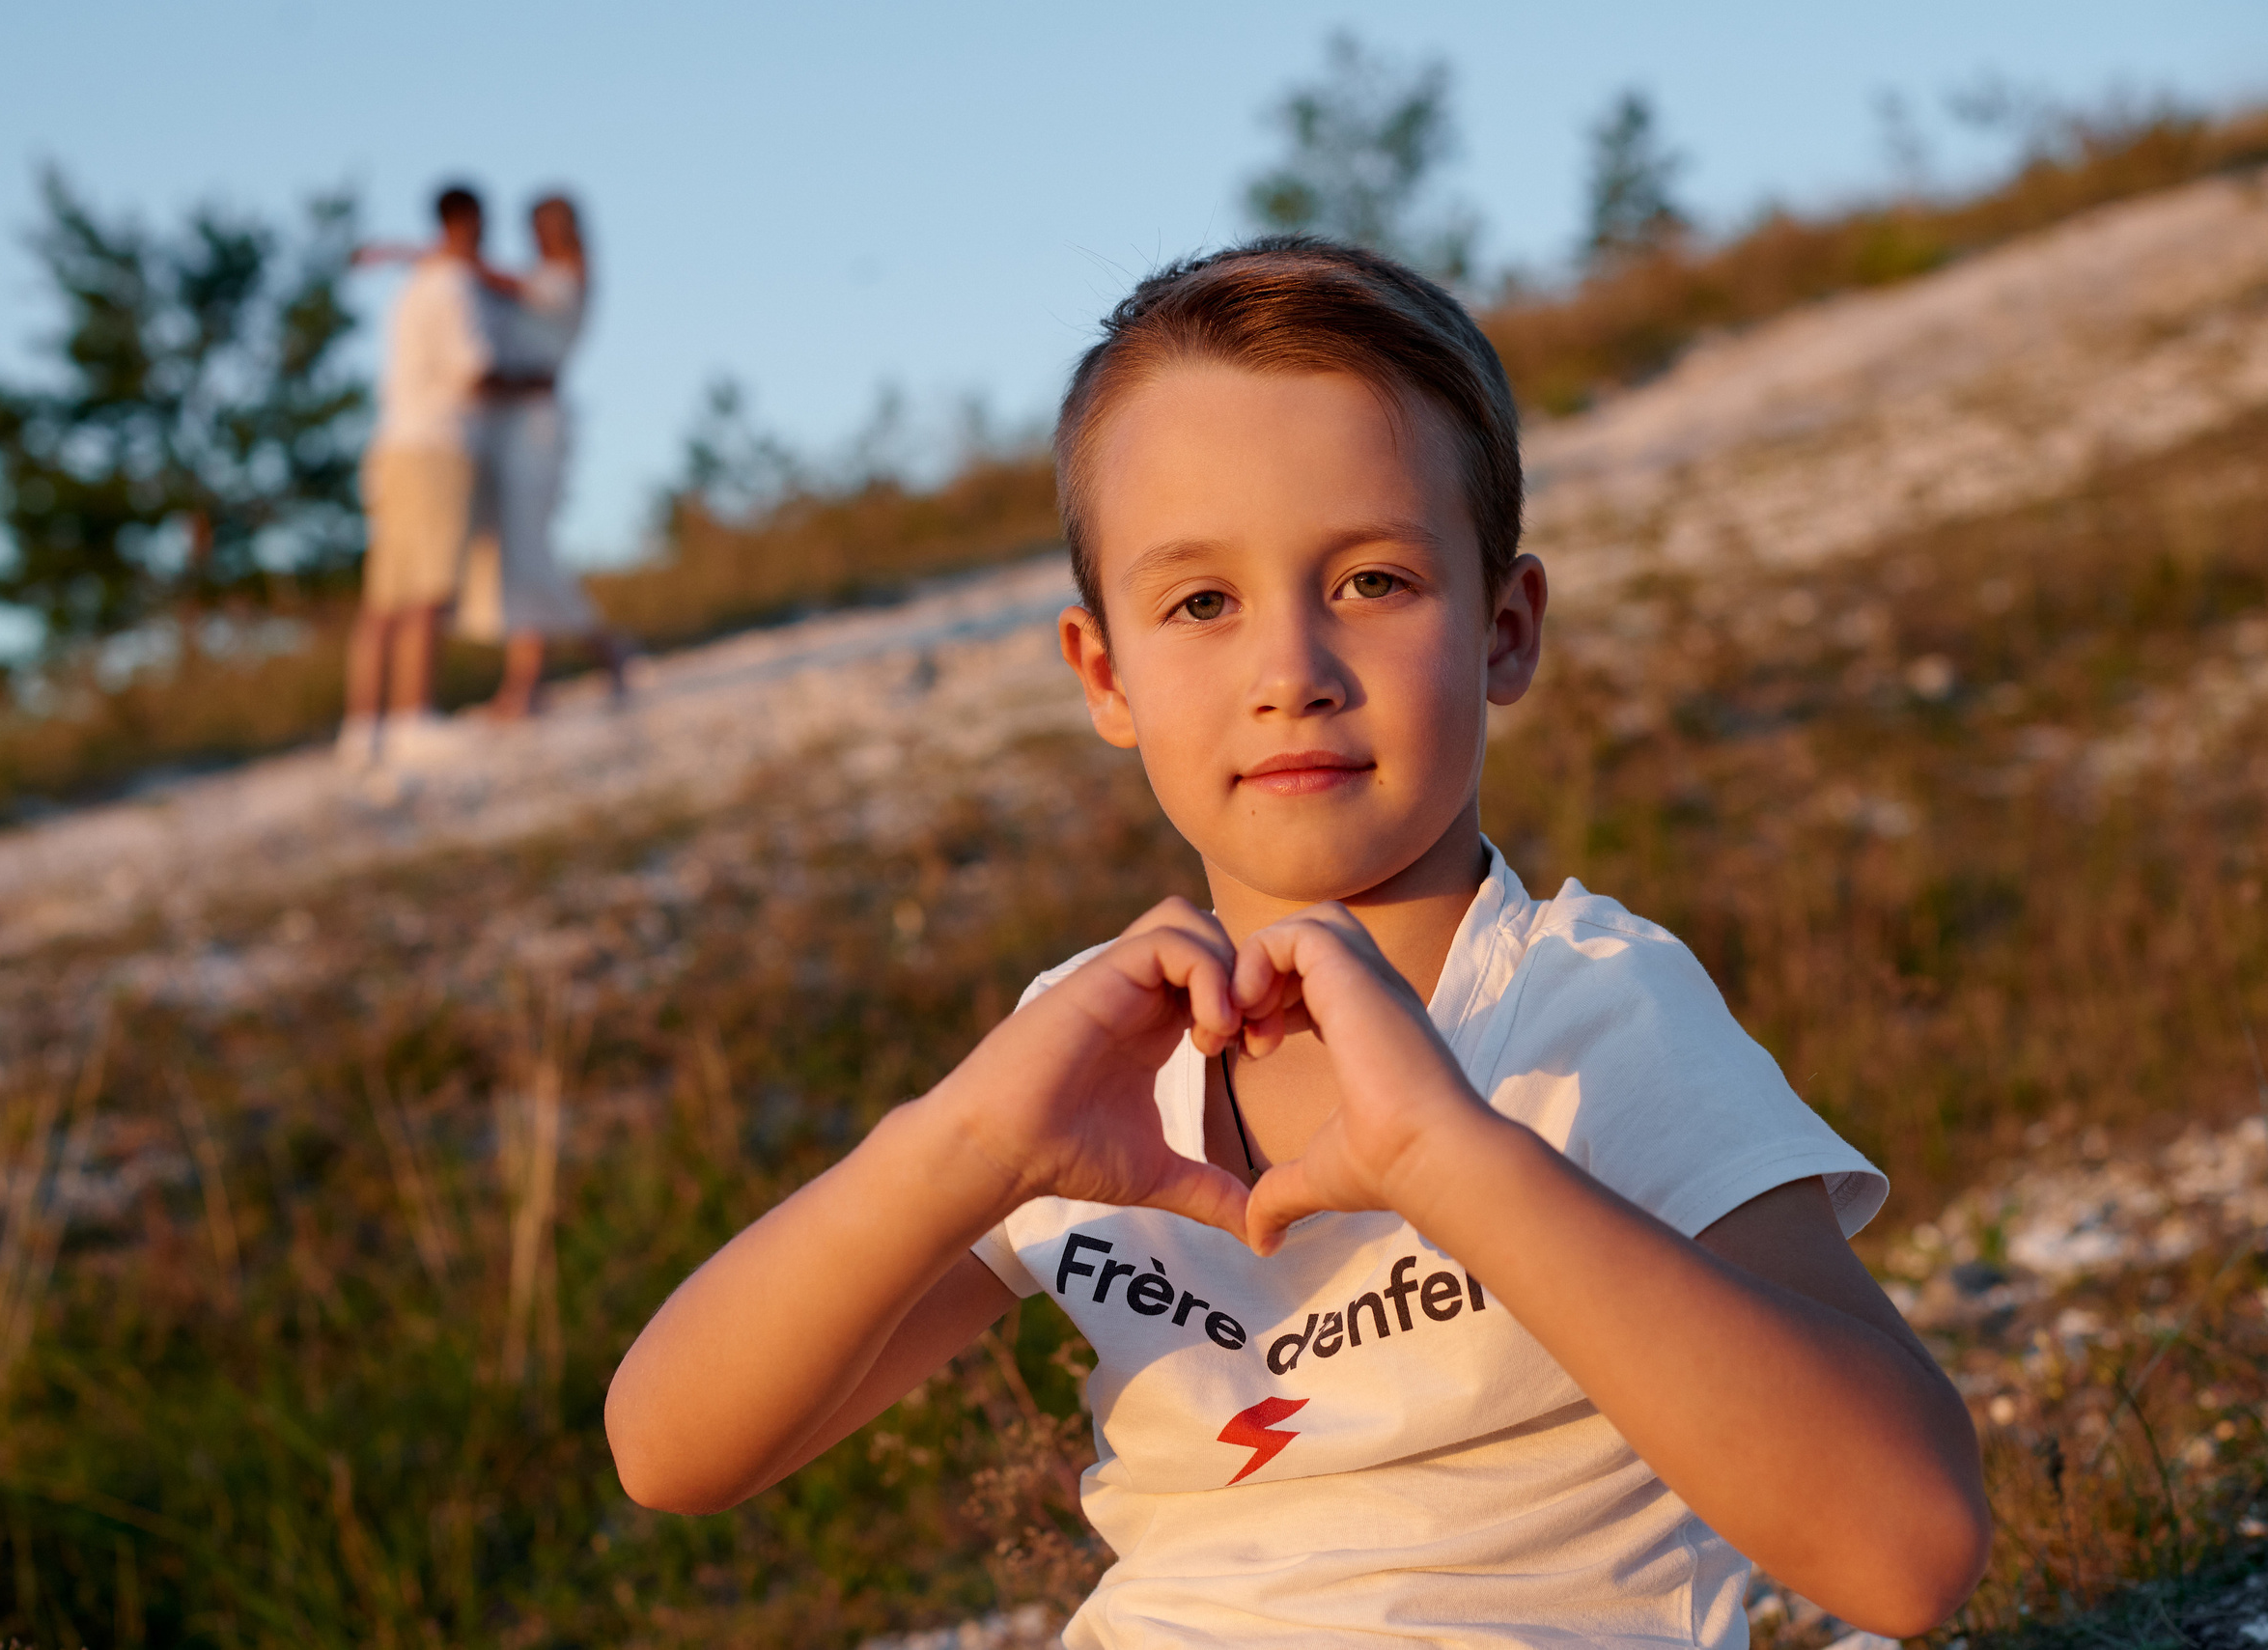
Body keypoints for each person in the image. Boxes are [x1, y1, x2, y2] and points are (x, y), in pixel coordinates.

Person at [605, 239, 1991, 1647]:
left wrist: (1454, 1160)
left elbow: (1908, 1551)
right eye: (1202, 603)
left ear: (1506, 631)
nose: (1290, 676)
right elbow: (675, 1452)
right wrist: (966, 1146)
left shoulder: (1587, 1017)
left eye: (1374, 583)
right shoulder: (1086, 1061)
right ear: (1105, 674)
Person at [456, 193, 633, 717]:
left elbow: (503, 286)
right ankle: (527, 681)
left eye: (550, 225)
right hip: (510, 422)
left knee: (528, 548)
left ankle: (606, 646)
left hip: (537, 421)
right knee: (514, 551)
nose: (542, 235)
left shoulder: (569, 278)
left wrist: (421, 254)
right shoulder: (536, 279)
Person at [340, 184, 496, 769]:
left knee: (384, 597)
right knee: (429, 592)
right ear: (473, 222)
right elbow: (473, 370)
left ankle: (362, 729)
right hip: (437, 447)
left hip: (392, 446)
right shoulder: (454, 287)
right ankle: (414, 718)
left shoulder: (415, 287)